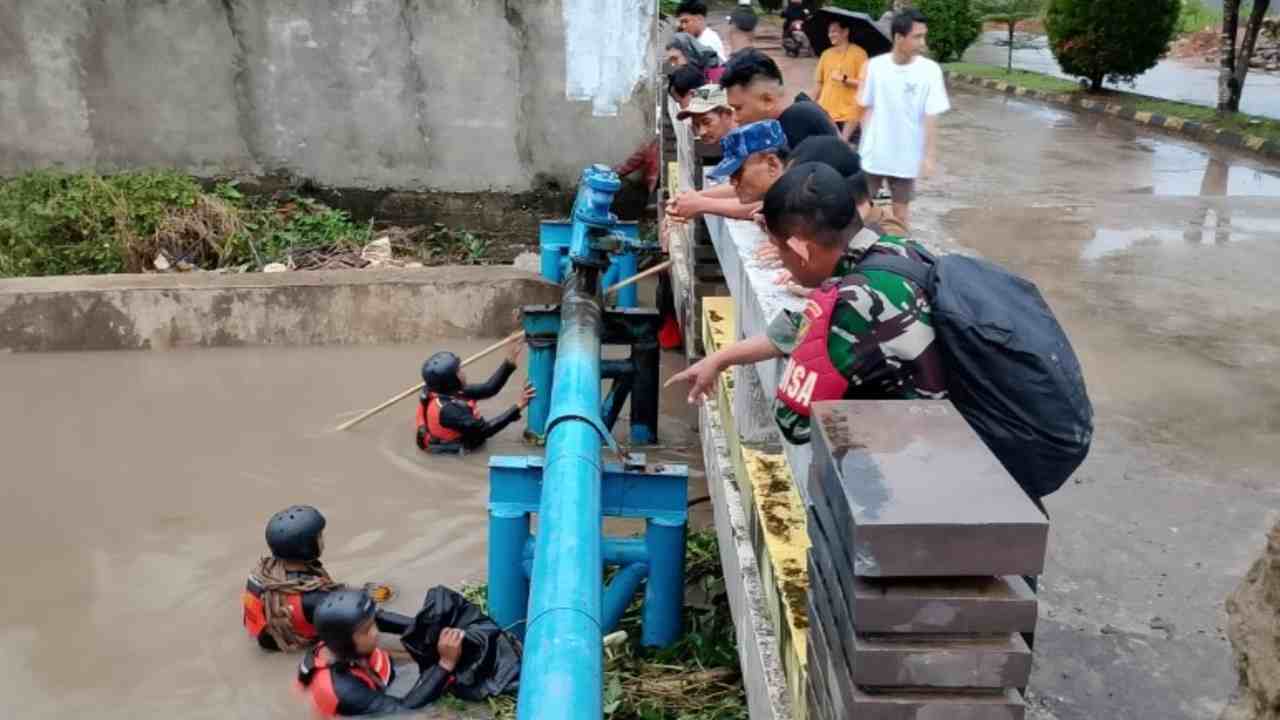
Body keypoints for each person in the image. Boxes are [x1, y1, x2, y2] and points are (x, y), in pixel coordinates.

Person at [666, 162, 946, 445]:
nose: (780, 259)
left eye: (778, 248)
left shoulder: (851, 301)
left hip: (921, 456)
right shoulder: (899, 250)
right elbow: (801, 328)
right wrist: (719, 359)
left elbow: (794, 423)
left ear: (802, 250)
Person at [242, 506, 412, 652]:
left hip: (266, 637)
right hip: (295, 645)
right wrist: (416, 625)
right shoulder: (314, 598)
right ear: (306, 547)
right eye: (318, 537)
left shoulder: (262, 574)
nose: (322, 540)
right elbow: (369, 617)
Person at [295, 590, 462, 716]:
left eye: (372, 624)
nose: (376, 632)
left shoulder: (337, 640)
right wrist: (445, 664)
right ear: (347, 640)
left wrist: (428, 628)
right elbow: (403, 709)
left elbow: (380, 619)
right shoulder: (346, 690)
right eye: (367, 630)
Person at [858, 9, 951, 229]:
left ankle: (897, 256)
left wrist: (928, 156)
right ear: (899, 38)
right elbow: (867, 107)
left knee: (901, 216)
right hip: (874, 154)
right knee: (858, 209)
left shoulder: (930, 71)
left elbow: (931, 115)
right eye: (917, 37)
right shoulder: (876, 67)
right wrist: (865, 143)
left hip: (906, 156)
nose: (923, 42)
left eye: (924, 36)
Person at [417, 344, 535, 454]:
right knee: (475, 440)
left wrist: (509, 362)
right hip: (455, 450)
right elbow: (485, 431)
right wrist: (520, 405)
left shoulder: (450, 390)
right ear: (451, 381)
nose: (463, 373)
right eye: (458, 371)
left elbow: (489, 389)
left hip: (460, 426)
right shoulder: (449, 410)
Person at [667, 120, 788, 222]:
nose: (732, 182)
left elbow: (765, 205)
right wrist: (695, 198)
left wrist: (700, 204)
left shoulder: (799, 186)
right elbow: (747, 190)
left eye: (738, 173)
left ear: (772, 164)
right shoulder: (775, 176)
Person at [718, 49, 838, 148]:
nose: (736, 118)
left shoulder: (800, 121)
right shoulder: (795, 116)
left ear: (767, 100)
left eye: (738, 108)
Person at [813, 18, 869, 144]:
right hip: (826, 114)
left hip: (849, 117)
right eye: (829, 32)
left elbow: (866, 84)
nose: (830, 35)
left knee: (848, 153)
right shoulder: (825, 54)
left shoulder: (859, 54)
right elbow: (819, 84)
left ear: (845, 32)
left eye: (834, 31)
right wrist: (811, 103)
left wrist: (844, 79)